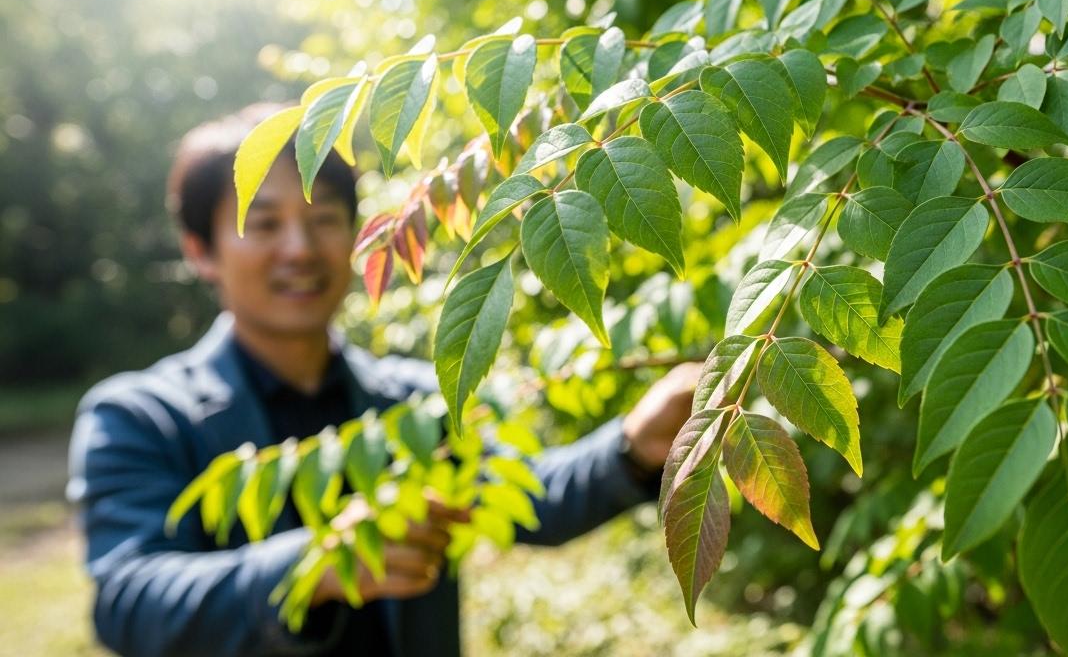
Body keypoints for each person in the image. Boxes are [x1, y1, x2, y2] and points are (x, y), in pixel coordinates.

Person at [66, 103, 698, 657]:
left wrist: (634, 445)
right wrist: (317, 566)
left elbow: (531, 498)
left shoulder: (414, 401)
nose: (300, 248)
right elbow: (129, 602)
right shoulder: (140, 416)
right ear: (200, 251)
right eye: (263, 224)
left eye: (324, 219)